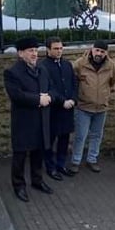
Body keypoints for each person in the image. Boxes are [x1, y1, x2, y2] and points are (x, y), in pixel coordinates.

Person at [3, 37, 55, 202]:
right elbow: (16, 95)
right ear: (20, 53)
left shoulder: (42, 69)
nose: (34, 54)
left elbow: (52, 88)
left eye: (36, 50)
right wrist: (38, 99)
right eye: (30, 51)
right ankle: (19, 185)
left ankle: (37, 180)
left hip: (41, 120)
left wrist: (49, 97)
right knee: (20, 155)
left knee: (38, 152)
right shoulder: (12, 73)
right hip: (24, 122)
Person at [70, 41, 115, 173]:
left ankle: (92, 159)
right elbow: (73, 82)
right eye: (97, 50)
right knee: (80, 136)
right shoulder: (80, 64)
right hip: (83, 107)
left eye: (102, 52)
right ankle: (75, 161)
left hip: (101, 107)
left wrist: (105, 96)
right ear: (92, 49)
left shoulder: (111, 66)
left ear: (106, 53)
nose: (99, 54)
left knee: (97, 135)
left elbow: (112, 82)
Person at [39, 37, 77, 181]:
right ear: (48, 49)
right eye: (56, 48)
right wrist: (62, 101)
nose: (59, 51)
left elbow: (74, 83)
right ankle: (50, 167)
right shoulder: (43, 66)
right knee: (49, 140)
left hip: (68, 109)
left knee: (64, 139)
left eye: (61, 48)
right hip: (53, 110)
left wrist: (73, 99)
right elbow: (48, 88)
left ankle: (61, 164)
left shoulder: (67, 64)